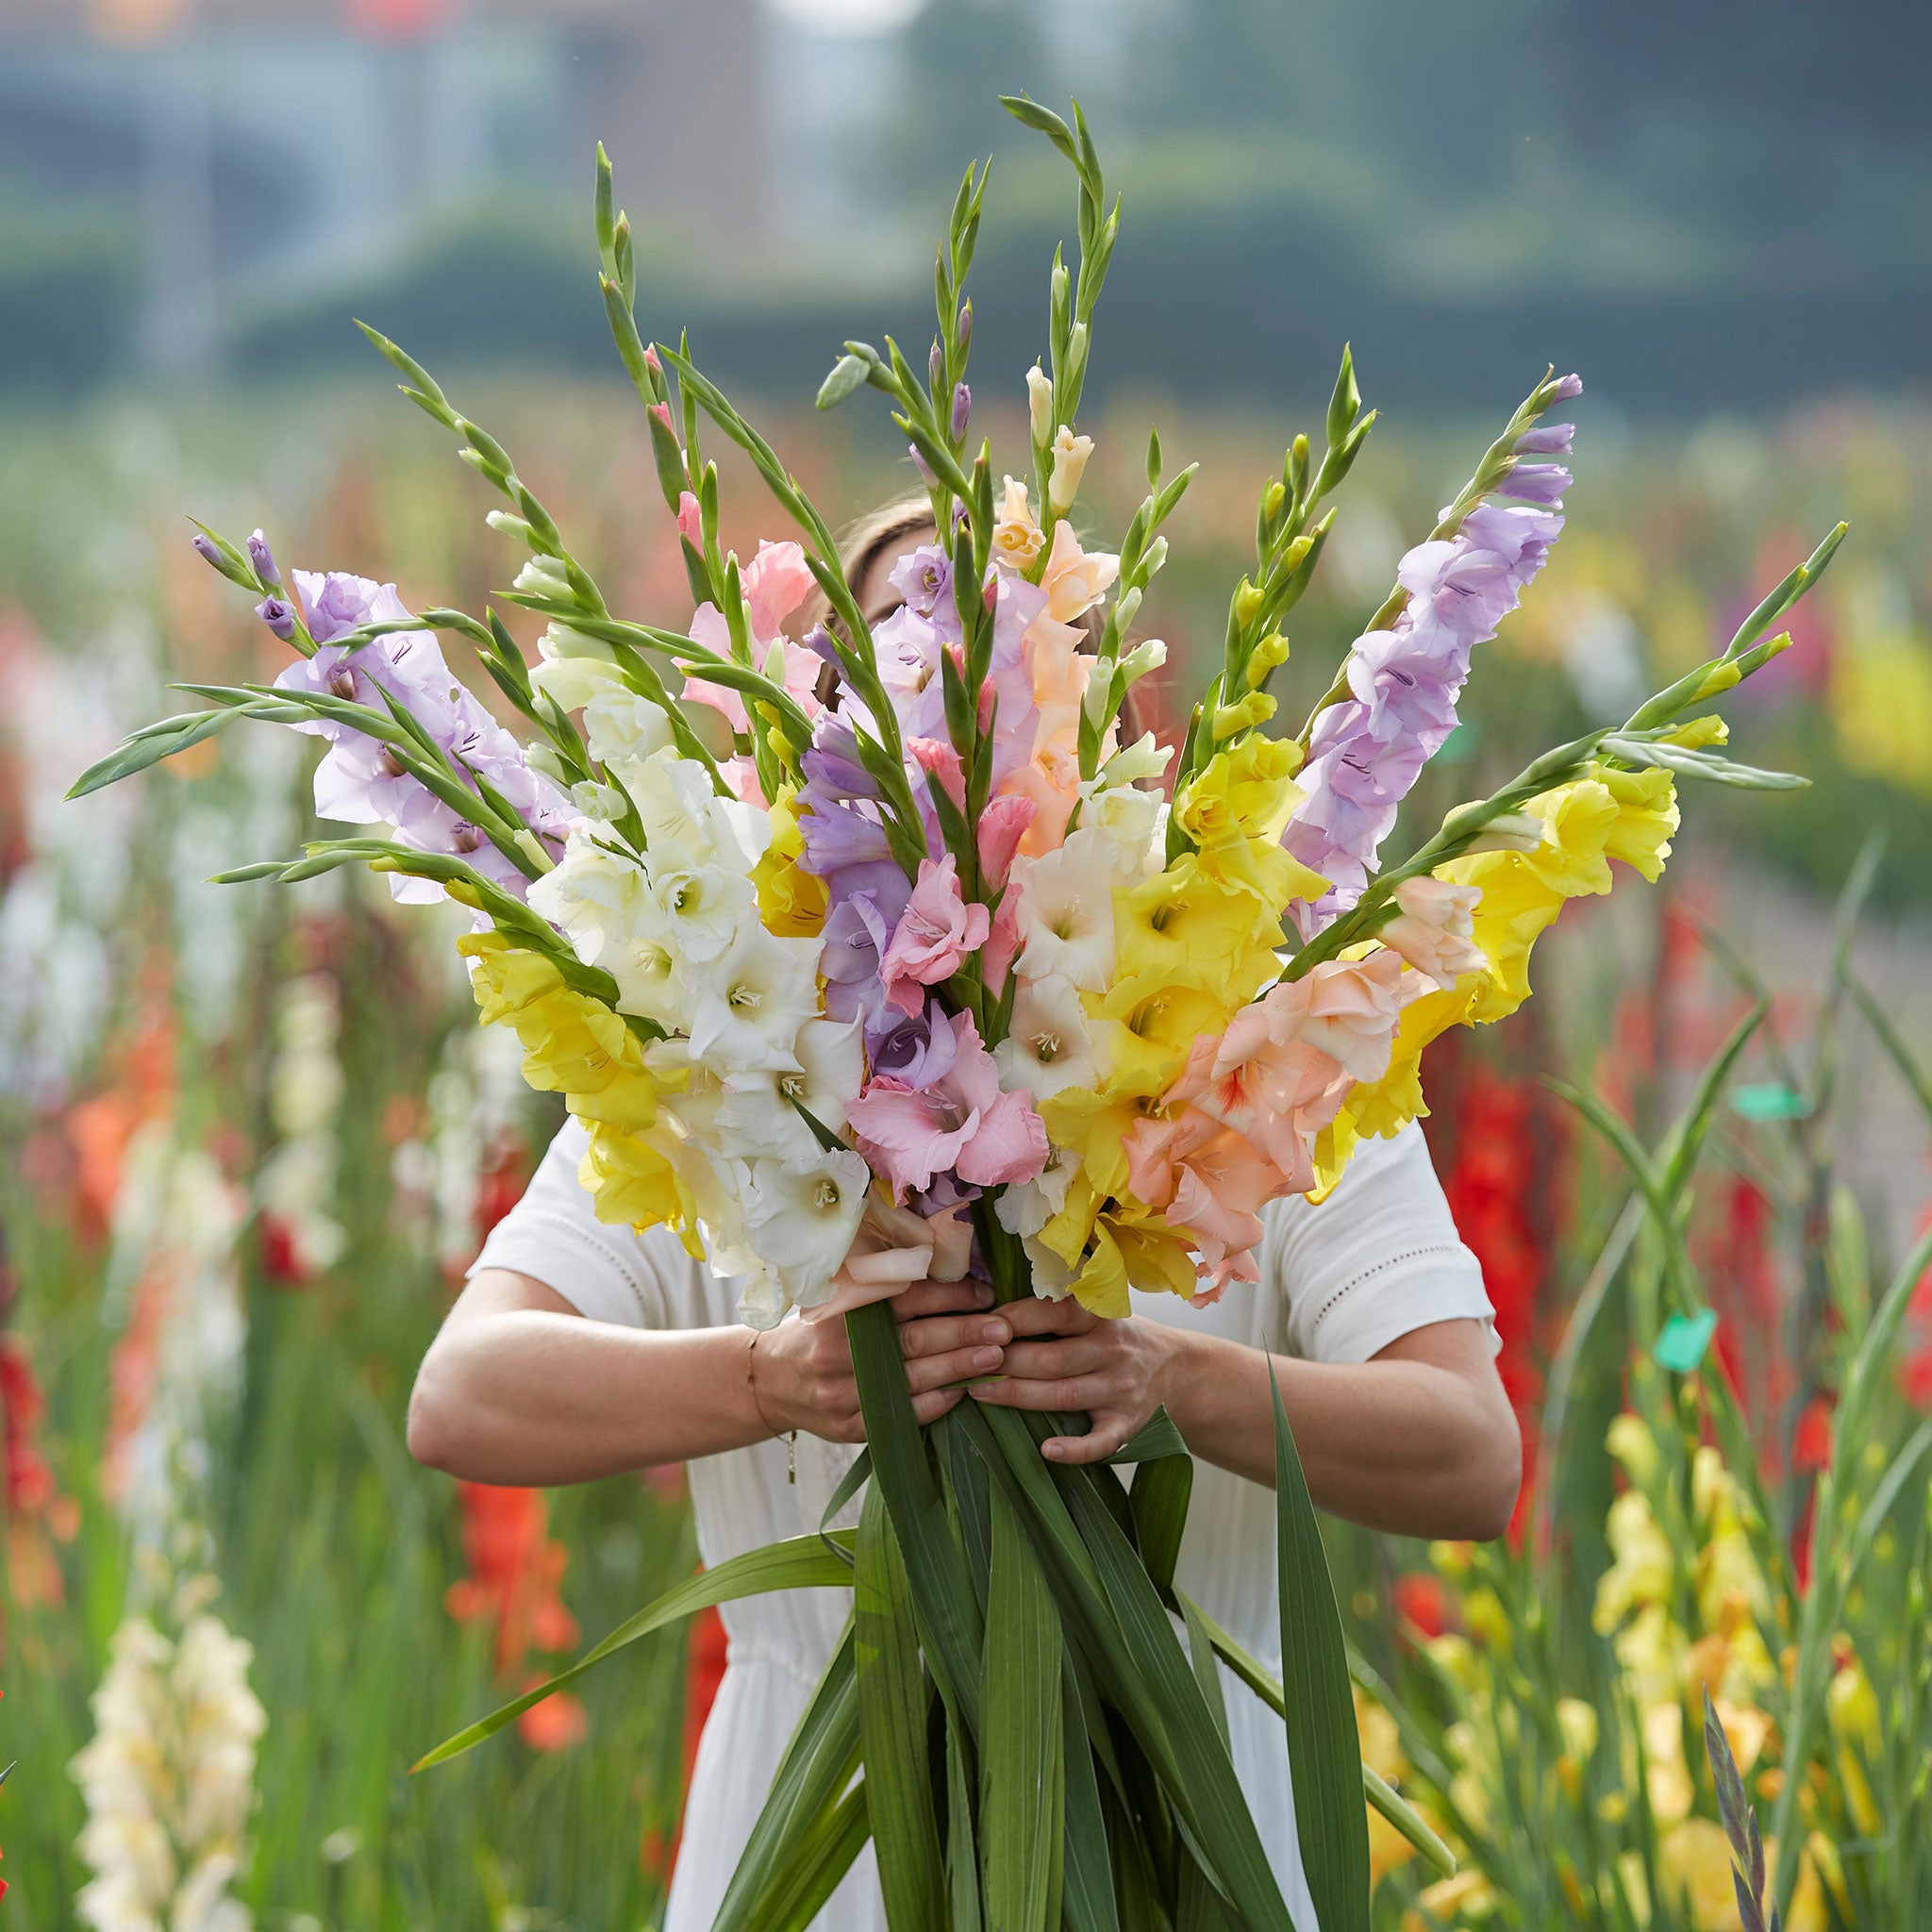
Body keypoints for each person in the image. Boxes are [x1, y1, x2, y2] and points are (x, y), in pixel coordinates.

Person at [407, 498, 1521, 1931]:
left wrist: (1180, 1381)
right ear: (816, 738)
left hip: (1188, 1826)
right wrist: (775, 1381)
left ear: (1094, 725)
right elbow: (463, 1396)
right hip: (824, 1847)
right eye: (893, 656)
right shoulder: (723, 1056)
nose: (943, 701)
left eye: (1000, 658)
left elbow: (1472, 1455)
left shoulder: (1256, 1045)